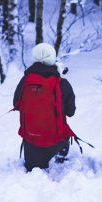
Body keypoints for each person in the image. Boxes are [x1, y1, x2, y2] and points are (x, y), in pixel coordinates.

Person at [12, 43, 76, 172]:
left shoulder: (25, 81)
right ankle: (60, 158)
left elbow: (16, 105)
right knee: (64, 129)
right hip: (56, 142)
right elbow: (71, 112)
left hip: (31, 145)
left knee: (32, 165)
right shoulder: (62, 83)